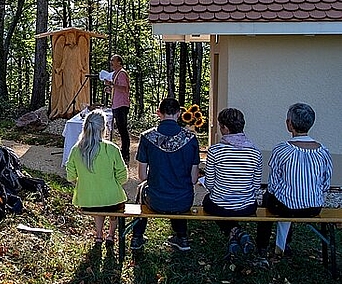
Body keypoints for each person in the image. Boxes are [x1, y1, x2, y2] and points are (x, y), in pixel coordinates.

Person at [255, 103, 333, 261]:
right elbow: (325, 184)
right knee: (278, 200)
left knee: (268, 199)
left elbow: (273, 185)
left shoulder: (281, 149)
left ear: (289, 124)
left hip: (285, 208)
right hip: (314, 207)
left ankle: (262, 246)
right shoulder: (324, 151)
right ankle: (284, 244)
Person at [130, 98, 200, 252]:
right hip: (183, 201)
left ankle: (137, 237)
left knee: (142, 189)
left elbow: (142, 176)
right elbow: (194, 179)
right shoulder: (191, 139)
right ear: (179, 113)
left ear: (158, 113)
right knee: (179, 190)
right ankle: (182, 237)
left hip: (156, 200)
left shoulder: (147, 137)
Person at [202, 108, 262, 255]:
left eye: (220, 126)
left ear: (226, 129)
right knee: (222, 205)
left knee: (207, 202)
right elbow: (256, 186)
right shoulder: (255, 152)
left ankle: (233, 232)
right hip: (247, 206)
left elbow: (209, 184)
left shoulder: (215, 151)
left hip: (220, 205)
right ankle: (236, 233)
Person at [66, 109, 128, 247]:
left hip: (87, 200)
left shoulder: (76, 150)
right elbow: (123, 176)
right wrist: (113, 183)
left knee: (99, 205)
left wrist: (85, 183)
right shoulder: (111, 149)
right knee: (113, 205)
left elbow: (70, 176)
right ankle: (111, 235)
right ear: (104, 128)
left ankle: (99, 235)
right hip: (112, 200)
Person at [104, 54, 131, 163]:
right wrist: (110, 89)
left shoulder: (122, 73)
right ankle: (123, 150)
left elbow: (124, 88)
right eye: (110, 60)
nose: (111, 62)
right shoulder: (116, 74)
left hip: (121, 105)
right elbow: (118, 90)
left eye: (113, 60)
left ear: (119, 62)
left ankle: (125, 152)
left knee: (122, 129)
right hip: (116, 105)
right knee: (120, 129)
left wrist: (112, 84)